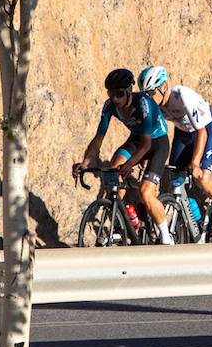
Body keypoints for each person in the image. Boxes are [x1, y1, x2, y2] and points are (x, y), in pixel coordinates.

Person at [72, 67, 175, 244]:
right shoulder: (110, 105)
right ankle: (120, 215)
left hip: (157, 142)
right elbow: (98, 138)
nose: (115, 99)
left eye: (119, 94)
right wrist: (85, 162)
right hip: (137, 139)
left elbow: (147, 144)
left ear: (129, 91)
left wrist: (130, 164)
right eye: (111, 94)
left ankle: (166, 236)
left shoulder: (143, 103)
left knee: (146, 193)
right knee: (113, 169)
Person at [138, 66, 212, 241]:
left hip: (206, 128)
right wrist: (145, 156)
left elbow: (202, 132)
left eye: (151, 93)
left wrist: (196, 163)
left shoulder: (182, 96)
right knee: (175, 181)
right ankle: (193, 220)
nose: (149, 99)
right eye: (146, 95)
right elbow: (153, 133)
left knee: (202, 178)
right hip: (184, 133)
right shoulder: (155, 105)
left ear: (163, 87)